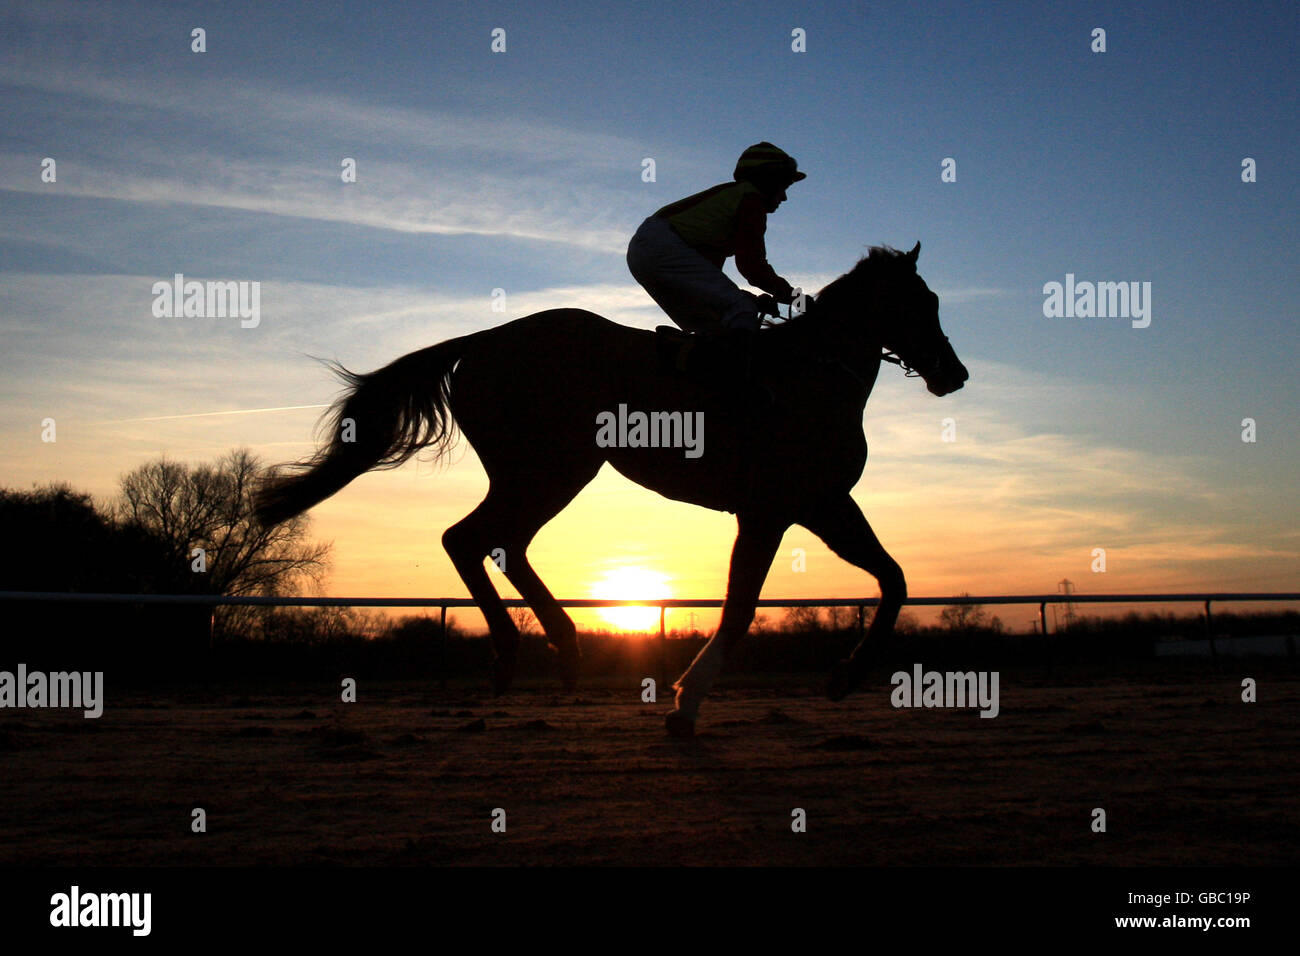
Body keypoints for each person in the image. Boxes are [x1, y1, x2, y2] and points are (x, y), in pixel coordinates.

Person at [627, 142, 805, 338]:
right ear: (769, 180)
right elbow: (752, 267)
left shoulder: (728, 201)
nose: (785, 197)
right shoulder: (751, 201)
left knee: (716, 319)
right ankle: (733, 368)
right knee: (741, 310)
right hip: (660, 245)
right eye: (783, 186)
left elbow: (709, 279)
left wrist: (751, 298)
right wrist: (798, 300)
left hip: (646, 249)